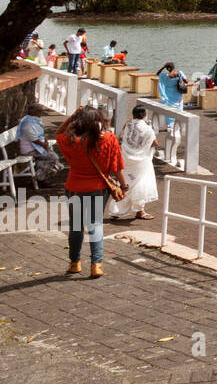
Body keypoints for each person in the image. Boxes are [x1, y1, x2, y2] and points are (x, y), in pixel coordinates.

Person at [56, 107, 124, 279]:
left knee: (76, 226)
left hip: (74, 188)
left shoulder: (69, 141)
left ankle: (74, 263)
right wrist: (124, 185)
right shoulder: (108, 139)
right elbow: (116, 168)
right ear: (98, 121)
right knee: (95, 225)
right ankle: (96, 265)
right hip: (98, 187)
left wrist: (73, 115)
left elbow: (59, 132)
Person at [107, 106, 158, 221]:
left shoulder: (128, 125)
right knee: (140, 184)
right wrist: (141, 147)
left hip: (125, 159)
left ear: (133, 115)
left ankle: (117, 211)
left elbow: (121, 138)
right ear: (144, 115)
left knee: (126, 183)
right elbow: (154, 142)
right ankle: (139, 211)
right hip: (141, 162)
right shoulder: (148, 129)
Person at [17, 103, 60, 184]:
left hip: (35, 147)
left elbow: (41, 134)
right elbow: (34, 139)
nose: (41, 112)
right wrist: (44, 145)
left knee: (49, 156)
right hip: (29, 150)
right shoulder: (28, 123)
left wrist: (45, 141)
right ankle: (40, 177)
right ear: (32, 111)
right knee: (53, 158)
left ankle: (41, 178)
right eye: (39, 111)